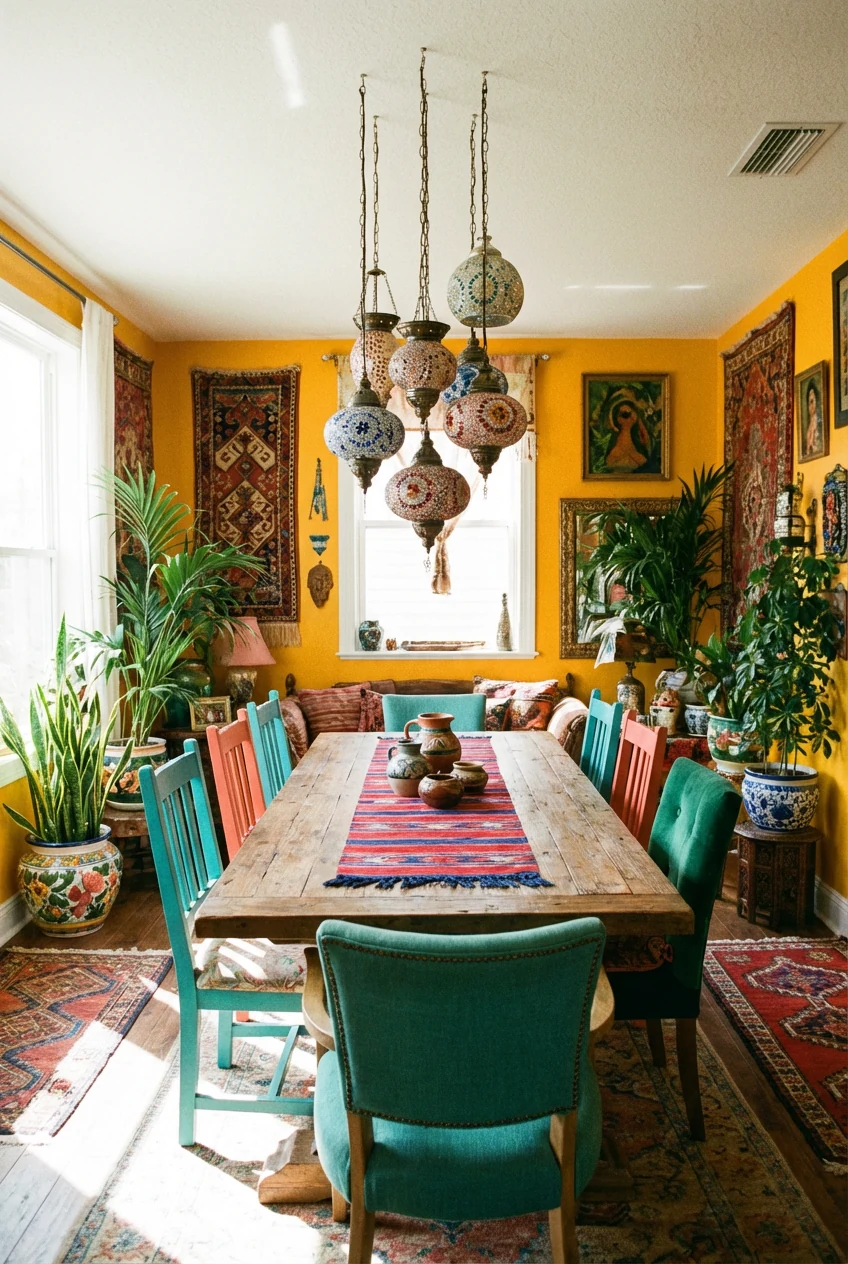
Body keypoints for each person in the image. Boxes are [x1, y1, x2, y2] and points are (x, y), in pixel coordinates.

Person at [804, 380, 823, 458]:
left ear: (817, 401)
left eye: (812, 401)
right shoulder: (809, 428)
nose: (810, 406)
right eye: (809, 403)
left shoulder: (820, 422)